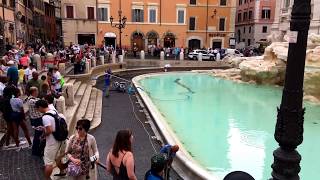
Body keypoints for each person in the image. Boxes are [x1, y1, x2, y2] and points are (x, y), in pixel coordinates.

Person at [35, 99, 64, 180]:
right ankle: (62, 171)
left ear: (40, 107)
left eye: (37, 108)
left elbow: (50, 130)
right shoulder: (54, 112)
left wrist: (43, 135)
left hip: (51, 142)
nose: (38, 110)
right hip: (59, 139)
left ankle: (47, 178)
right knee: (57, 158)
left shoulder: (45, 117)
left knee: (48, 163)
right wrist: (44, 127)